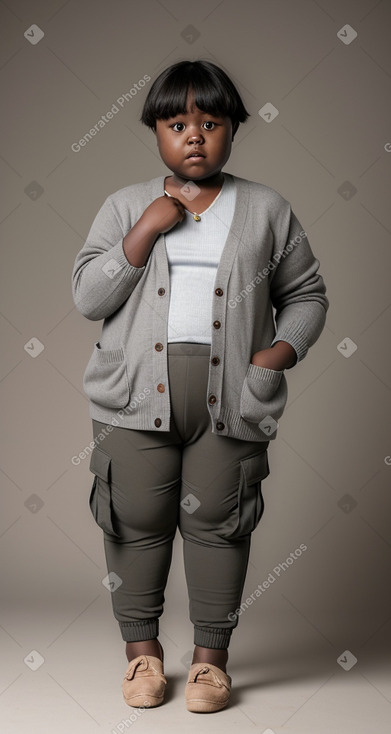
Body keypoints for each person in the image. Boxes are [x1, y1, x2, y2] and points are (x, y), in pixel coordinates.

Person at [71, 59, 328, 713]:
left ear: (233, 130)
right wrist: (147, 228)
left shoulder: (266, 208)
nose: (194, 136)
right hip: (133, 398)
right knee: (134, 524)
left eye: (210, 123)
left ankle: (211, 667)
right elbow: (87, 295)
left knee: (220, 524)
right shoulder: (126, 205)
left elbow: (305, 294)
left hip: (232, 397)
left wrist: (273, 355)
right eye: (177, 122)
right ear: (155, 130)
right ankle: (144, 662)